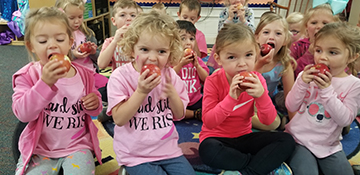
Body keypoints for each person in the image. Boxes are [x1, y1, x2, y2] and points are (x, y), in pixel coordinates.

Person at [12, 7, 102, 175]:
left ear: (69, 42)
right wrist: (44, 83)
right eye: (43, 41)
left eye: (59, 39)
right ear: (31, 46)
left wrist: (94, 103)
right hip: (41, 148)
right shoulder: (27, 75)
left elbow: (95, 109)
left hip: (77, 146)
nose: (52, 45)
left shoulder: (85, 75)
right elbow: (23, 114)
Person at [198, 23, 295, 175]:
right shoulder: (213, 80)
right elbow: (209, 121)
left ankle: (245, 171)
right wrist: (231, 98)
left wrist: (262, 96)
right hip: (217, 139)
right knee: (207, 150)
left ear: (256, 54)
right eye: (232, 57)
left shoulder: (257, 80)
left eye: (248, 55)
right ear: (219, 59)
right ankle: (259, 166)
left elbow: (269, 121)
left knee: (286, 140)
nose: (242, 64)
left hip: (244, 137)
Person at [106, 11, 196, 175]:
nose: (153, 58)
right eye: (145, 49)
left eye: (161, 51)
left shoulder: (170, 75)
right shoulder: (120, 77)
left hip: (167, 149)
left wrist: (173, 95)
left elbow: (180, 115)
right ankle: (126, 170)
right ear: (133, 50)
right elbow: (119, 119)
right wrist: (141, 91)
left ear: (170, 53)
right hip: (135, 153)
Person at [285, 22, 360, 175]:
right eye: (318, 50)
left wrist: (326, 90)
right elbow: (291, 106)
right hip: (299, 140)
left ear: (352, 57)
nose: (322, 58)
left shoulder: (354, 84)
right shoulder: (305, 76)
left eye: (333, 52)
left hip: (329, 145)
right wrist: (301, 83)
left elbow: (345, 120)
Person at [97, 0, 139, 122]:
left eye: (133, 15)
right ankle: (114, 108)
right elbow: (101, 64)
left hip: (138, 83)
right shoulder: (110, 42)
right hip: (118, 83)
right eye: (122, 15)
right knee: (101, 92)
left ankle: (118, 109)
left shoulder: (142, 41)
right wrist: (115, 41)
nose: (128, 19)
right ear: (113, 21)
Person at [254, 13, 297, 129]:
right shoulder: (250, 57)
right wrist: (260, 64)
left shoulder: (284, 64)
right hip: (247, 98)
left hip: (268, 100)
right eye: (266, 32)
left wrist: (294, 125)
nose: (271, 37)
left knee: (300, 99)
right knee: (273, 123)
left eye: (278, 33)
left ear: (285, 40)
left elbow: (290, 96)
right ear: (257, 38)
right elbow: (245, 83)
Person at [55, 0, 108, 90]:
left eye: (80, 17)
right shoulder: (58, 36)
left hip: (90, 73)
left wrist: (93, 52)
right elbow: (57, 59)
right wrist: (73, 55)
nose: (77, 21)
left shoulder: (87, 34)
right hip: (70, 77)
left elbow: (98, 59)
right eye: (72, 18)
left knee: (108, 86)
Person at [173, 20, 209, 120]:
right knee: (167, 111)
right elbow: (168, 77)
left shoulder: (196, 59)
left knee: (213, 106)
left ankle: (193, 113)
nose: (188, 43)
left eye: (191, 39)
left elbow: (206, 79)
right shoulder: (171, 59)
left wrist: (197, 66)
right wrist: (180, 65)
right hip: (178, 100)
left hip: (195, 99)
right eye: (183, 39)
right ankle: (195, 114)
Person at [290, 4, 339, 77]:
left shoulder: (337, 48)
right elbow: (291, 72)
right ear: (306, 26)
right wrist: (309, 53)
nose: (319, 26)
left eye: (325, 23)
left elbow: (341, 72)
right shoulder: (297, 46)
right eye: (314, 23)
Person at [207, 0, 255, 74]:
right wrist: (229, 18)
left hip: (243, 44)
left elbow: (252, 33)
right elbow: (220, 32)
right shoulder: (224, 12)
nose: (238, 0)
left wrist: (243, 20)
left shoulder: (249, 12)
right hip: (227, 44)